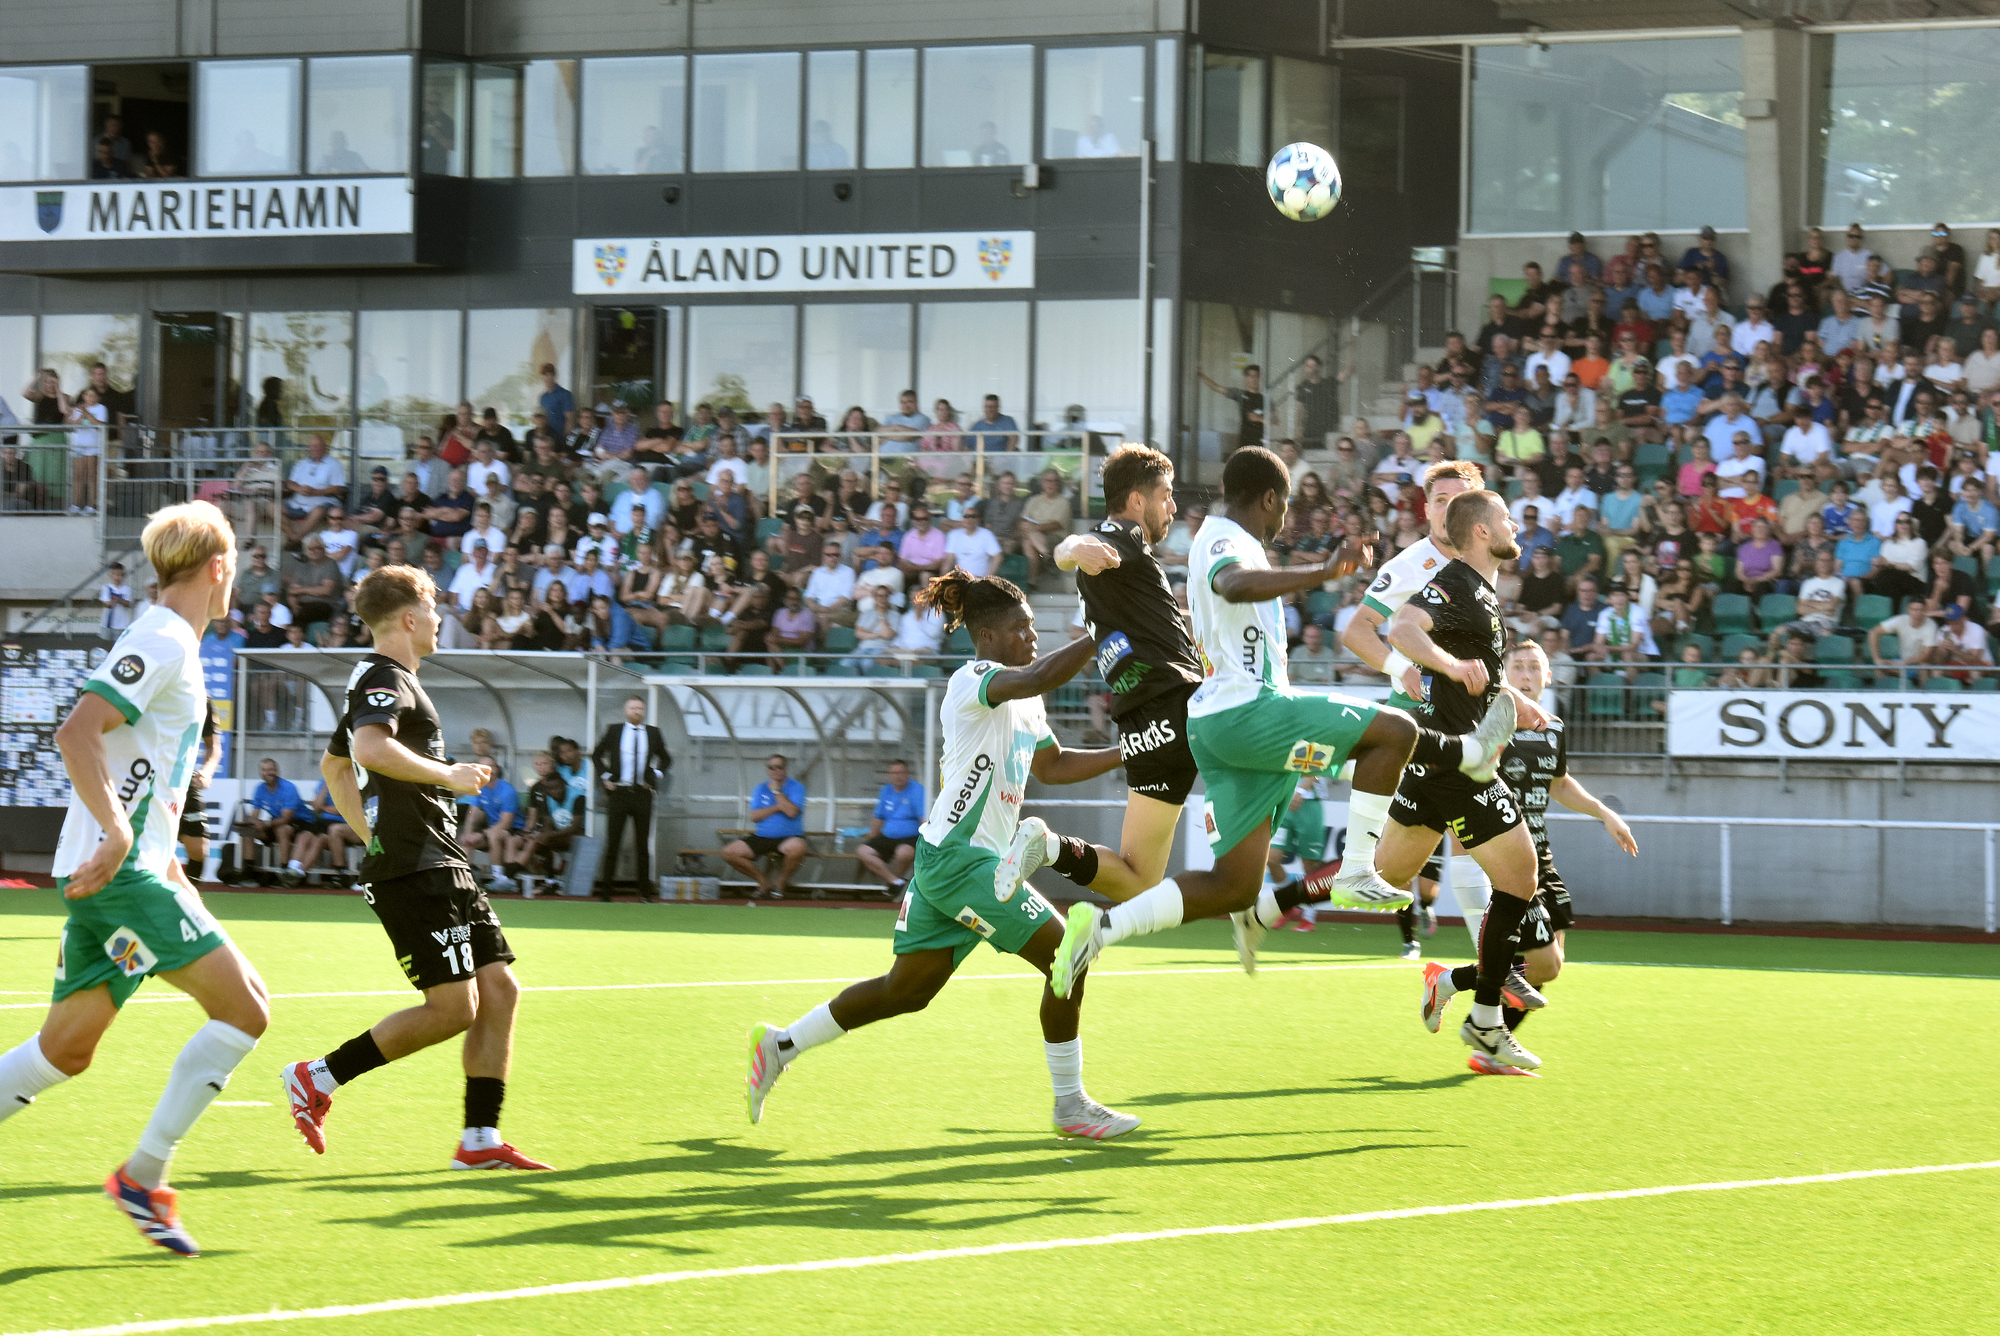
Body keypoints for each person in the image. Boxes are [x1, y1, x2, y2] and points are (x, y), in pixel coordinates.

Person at [1048, 448, 1521, 995]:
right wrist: (1323, 570)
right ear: (1270, 499)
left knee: (1234, 886)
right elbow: (1233, 584)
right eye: (1286, 504)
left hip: (1219, 724)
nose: (1286, 517)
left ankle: (1096, 930)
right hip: (1247, 709)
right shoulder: (1226, 538)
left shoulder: (1227, 540)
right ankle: (1369, 857)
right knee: (1393, 731)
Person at [744, 568, 1138, 1139]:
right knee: (1066, 956)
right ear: (988, 636)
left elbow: (1052, 767)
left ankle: (781, 1044)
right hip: (962, 860)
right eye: (1021, 628)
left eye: (1033, 628)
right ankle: (1070, 1105)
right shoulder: (972, 678)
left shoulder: (1026, 698)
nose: (1032, 637)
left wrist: (1127, 751)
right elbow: (1041, 673)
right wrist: (1104, 631)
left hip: (956, 859)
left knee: (905, 991)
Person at [0, 501, 267, 1256]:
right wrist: (121, 837)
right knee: (246, 1008)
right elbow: (78, 731)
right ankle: (143, 1177)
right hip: (117, 874)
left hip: (120, 873)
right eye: (235, 566)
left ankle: (143, 1178)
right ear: (219, 567)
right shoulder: (165, 637)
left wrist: (167, 863)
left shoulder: (167, 637)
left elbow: (144, 771)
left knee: (64, 1050)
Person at [283, 565, 552, 1172]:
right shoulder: (385, 678)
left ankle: (479, 1139)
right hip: (416, 868)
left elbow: (335, 768)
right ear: (409, 618)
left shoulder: (380, 680)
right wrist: (448, 775)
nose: (437, 619)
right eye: (432, 609)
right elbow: (369, 750)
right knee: (454, 1009)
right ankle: (317, 1076)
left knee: (500, 990)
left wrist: (371, 834)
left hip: (440, 860)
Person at [1362, 488, 1561, 1072]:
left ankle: (1270, 899)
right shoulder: (1457, 582)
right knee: (1519, 875)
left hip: (1441, 758)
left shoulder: (1485, 593)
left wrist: (1512, 699)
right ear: (1481, 531)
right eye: (1506, 518)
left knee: (1384, 876)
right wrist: (1448, 665)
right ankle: (1486, 1022)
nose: (1514, 525)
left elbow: (1475, 673)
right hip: (1458, 762)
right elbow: (1402, 629)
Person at [1422, 641, 1637, 1075]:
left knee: (1545, 968)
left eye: (1534, 667)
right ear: (1504, 675)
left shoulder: (1553, 726)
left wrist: (1603, 812)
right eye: (1517, 666)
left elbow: (1559, 783)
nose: (1525, 674)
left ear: (1548, 676)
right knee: (1542, 964)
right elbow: (1462, 780)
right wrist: (1465, 851)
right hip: (1507, 857)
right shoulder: (1488, 717)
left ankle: (1469, 1016)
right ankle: (1474, 1018)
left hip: (1543, 857)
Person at [723, 754, 810, 900]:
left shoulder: (797, 787)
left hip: (789, 836)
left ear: (785, 769)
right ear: (767, 770)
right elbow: (754, 816)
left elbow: (792, 812)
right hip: (762, 836)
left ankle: (780, 885)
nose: (775, 770)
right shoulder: (760, 789)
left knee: (799, 847)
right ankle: (764, 883)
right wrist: (778, 807)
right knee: (729, 852)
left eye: (779, 767)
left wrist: (776, 791)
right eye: (771, 767)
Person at [855, 759, 925, 897]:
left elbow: (923, 818)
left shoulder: (917, 790)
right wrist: (872, 836)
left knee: (904, 853)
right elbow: (878, 816)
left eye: (901, 772)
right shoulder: (886, 790)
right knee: (863, 851)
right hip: (888, 836)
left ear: (907, 774)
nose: (898, 776)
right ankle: (895, 882)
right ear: (889, 775)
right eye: (894, 773)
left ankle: (894, 884)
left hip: (911, 837)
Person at [1197, 364, 1265, 454]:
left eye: (1256, 376)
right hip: (1244, 443)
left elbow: (1275, 421)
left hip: (1261, 444)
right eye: (1250, 376)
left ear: (1259, 378)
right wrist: (1201, 375)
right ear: (1245, 378)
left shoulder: (1265, 399)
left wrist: (1259, 419)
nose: (1253, 379)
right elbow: (1216, 388)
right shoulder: (1240, 394)